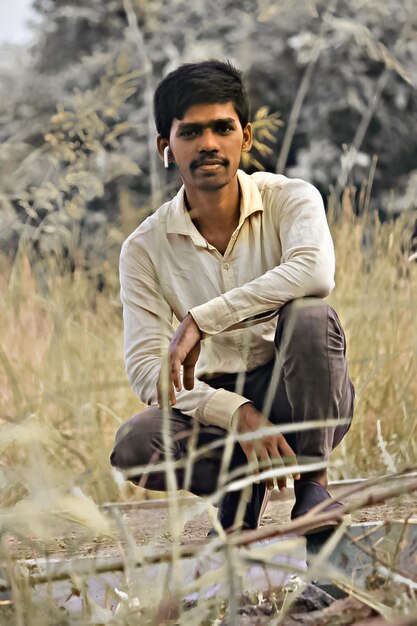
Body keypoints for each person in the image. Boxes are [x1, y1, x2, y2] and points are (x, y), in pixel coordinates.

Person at [110, 59, 355, 534]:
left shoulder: (291, 198)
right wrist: (233, 412)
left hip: (301, 398)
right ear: (166, 146)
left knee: (310, 317)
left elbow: (315, 272)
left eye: (222, 128)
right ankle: (239, 490)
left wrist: (202, 320)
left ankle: (315, 487)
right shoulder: (143, 248)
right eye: (191, 132)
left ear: (244, 136)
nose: (208, 144)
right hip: (213, 415)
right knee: (137, 444)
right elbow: (146, 370)